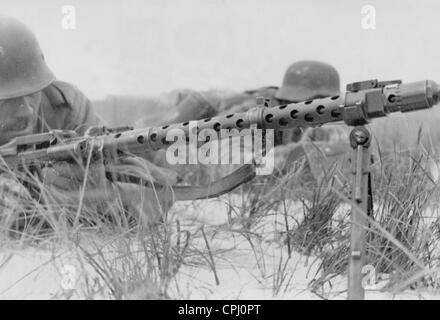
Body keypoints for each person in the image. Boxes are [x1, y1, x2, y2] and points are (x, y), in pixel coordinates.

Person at [0, 15, 177, 230]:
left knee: (168, 146)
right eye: (8, 99)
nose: (27, 110)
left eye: (32, 92)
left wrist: (103, 198)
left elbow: (154, 193)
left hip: (157, 145)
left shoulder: (66, 111)